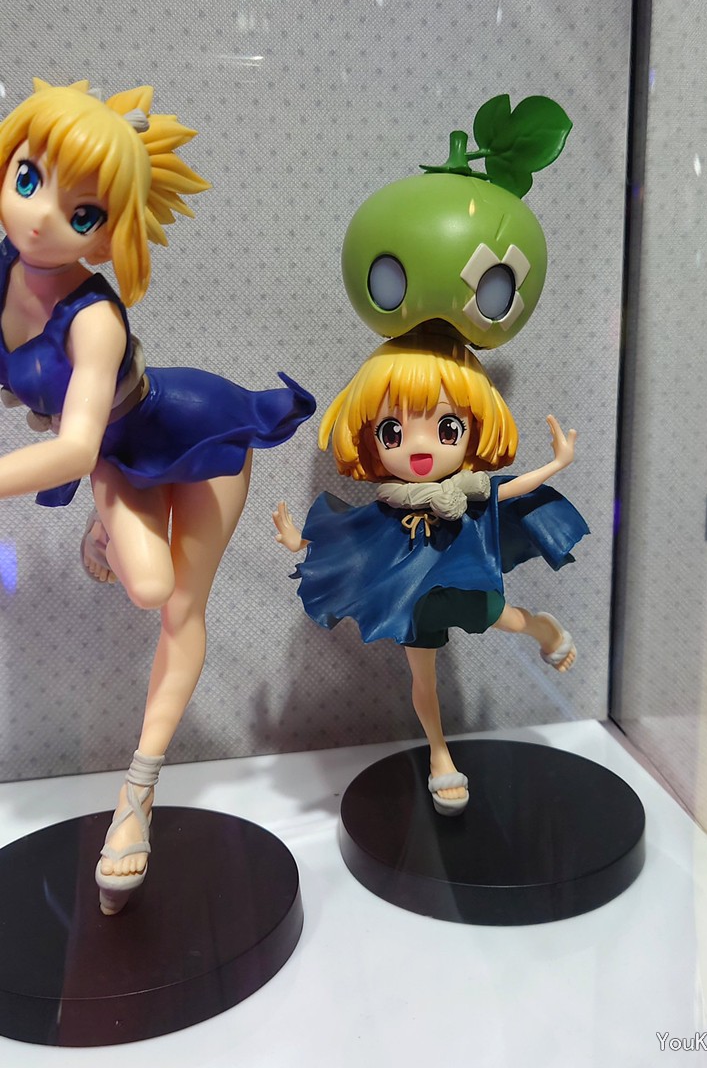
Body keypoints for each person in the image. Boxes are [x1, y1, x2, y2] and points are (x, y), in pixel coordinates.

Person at [0, 79, 314, 912]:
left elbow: (74, 446)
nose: (40, 217)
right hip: (119, 453)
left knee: (174, 604)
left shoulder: (94, 320)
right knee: (146, 583)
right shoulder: (3, 272)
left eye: (81, 213)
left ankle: (136, 796)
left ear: (111, 239)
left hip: (193, 431)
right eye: (27, 179)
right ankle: (110, 531)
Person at [274, 328, 586, 815]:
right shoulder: (389, 504)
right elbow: (350, 537)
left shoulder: (469, 493)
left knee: (510, 620)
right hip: (413, 602)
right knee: (423, 681)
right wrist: (301, 541)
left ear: (472, 429)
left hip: (465, 582)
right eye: (393, 432)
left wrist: (557, 464)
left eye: (446, 429)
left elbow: (513, 489)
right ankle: (440, 755)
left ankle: (545, 629)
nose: (418, 449)